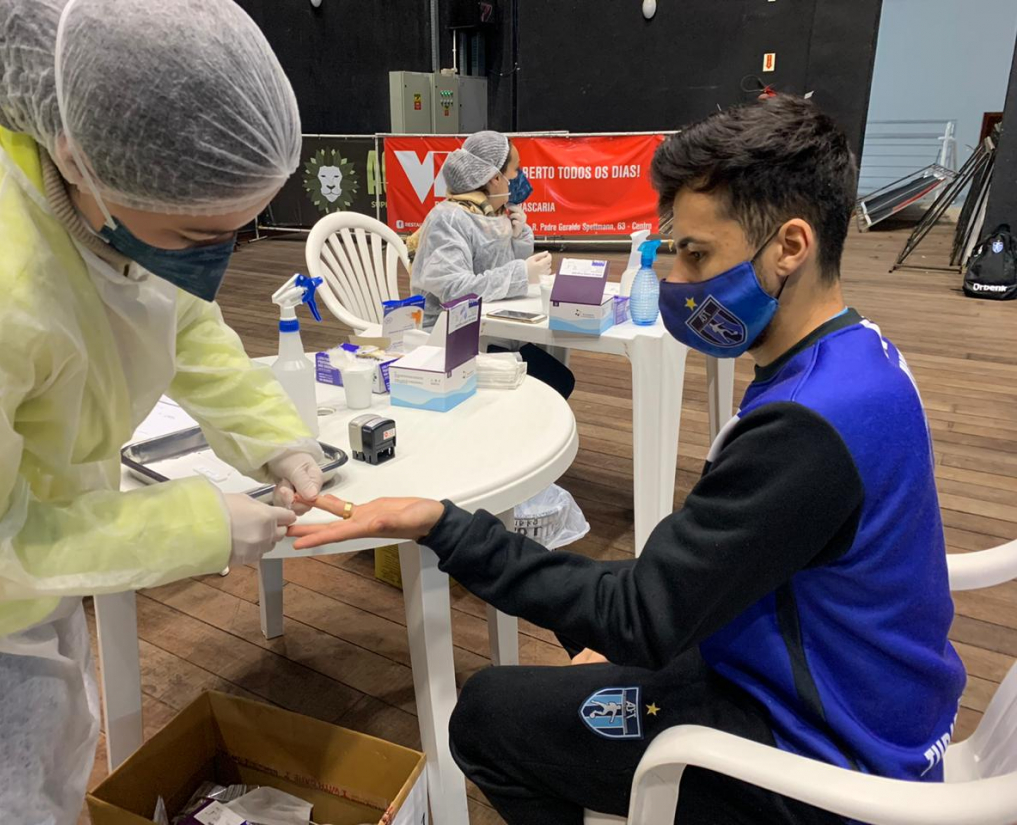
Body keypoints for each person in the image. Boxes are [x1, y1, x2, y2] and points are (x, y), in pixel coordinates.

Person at [287, 97, 967, 823]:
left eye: (697, 254)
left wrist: (444, 526)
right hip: (859, 685)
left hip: (823, 755)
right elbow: (673, 593)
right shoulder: (862, 358)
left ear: (790, 247)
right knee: (590, 631)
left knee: (485, 713)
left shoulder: (804, 429)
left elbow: (643, 615)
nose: (675, 279)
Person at [0, 1, 324, 822]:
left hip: (32, 549)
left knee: (56, 755)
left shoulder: (96, 139)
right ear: (77, 160)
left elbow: (168, 297)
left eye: (238, 234)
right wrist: (194, 528)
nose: (215, 258)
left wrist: (270, 431)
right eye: (198, 233)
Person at [410, 130, 576, 399]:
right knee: (555, 383)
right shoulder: (450, 219)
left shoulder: (491, 212)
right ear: (494, 177)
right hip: (451, 339)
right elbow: (455, 290)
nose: (519, 177)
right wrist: (522, 273)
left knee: (560, 378)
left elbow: (498, 268)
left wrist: (520, 237)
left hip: (491, 327)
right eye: (515, 170)